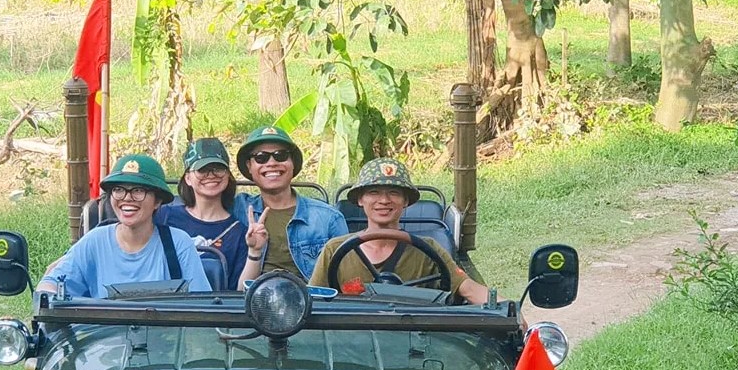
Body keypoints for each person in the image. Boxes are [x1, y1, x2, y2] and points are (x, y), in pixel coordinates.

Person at [311, 157, 493, 303]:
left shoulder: (429, 250)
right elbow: (314, 299)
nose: (384, 200)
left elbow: (467, 288)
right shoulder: (334, 250)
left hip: (415, 342)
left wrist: (511, 312)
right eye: (374, 192)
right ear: (360, 200)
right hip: (350, 343)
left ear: (406, 201)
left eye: (394, 193)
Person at [38, 154, 211, 298]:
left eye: (138, 191)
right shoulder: (94, 241)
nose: (127, 198)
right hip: (103, 337)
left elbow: (201, 303)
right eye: (119, 190)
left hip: (166, 338)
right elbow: (51, 285)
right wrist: (47, 293)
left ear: (157, 201)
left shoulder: (178, 243)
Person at [232, 126, 347, 286]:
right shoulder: (237, 208)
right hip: (254, 303)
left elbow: (346, 279)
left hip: (312, 304)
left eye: (281, 155)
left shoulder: (328, 218)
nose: (271, 163)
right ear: (249, 166)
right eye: (261, 157)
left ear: (293, 164)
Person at [156, 136, 250, 289]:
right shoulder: (164, 216)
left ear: (228, 175)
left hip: (214, 309)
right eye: (202, 170)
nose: (211, 175)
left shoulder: (239, 233)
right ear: (187, 178)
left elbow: (237, 293)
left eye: (218, 169)